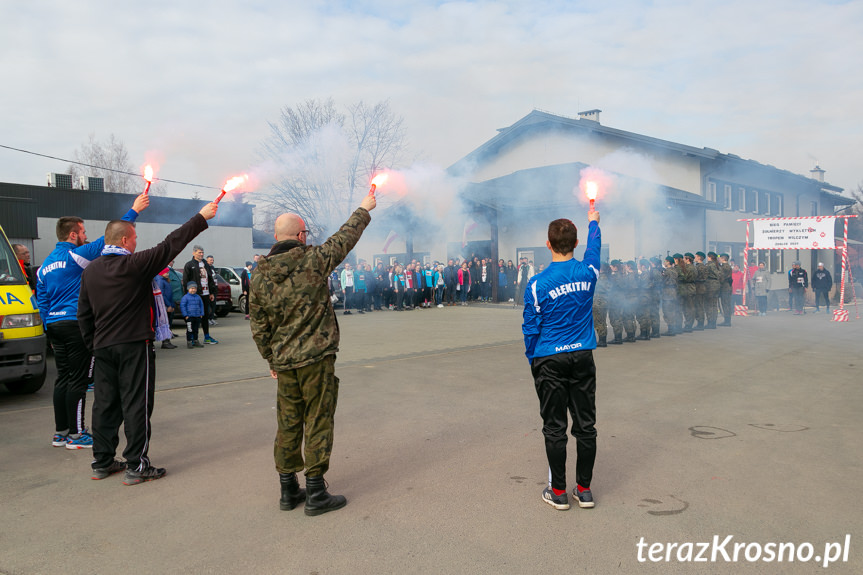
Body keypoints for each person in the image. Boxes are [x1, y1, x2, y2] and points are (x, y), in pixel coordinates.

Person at [250, 192, 376, 516]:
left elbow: (258, 325)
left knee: (288, 423)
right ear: (301, 236)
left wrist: (271, 358)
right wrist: (364, 208)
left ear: (275, 237)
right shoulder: (313, 260)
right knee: (318, 419)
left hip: (285, 362)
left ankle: (288, 489)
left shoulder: (260, 275)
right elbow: (345, 238)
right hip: (316, 359)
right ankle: (316, 492)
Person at [78, 201, 218, 484]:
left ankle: (102, 461)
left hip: (103, 347)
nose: (137, 243)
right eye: (135, 239)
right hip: (133, 345)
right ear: (125, 240)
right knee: (136, 404)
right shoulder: (134, 264)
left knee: (104, 404)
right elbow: (171, 245)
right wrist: (201, 217)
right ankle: (136, 466)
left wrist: (93, 344)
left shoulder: (91, 271)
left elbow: (83, 314)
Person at [37, 193, 149, 450]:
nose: (85, 236)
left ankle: (61, 432)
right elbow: (107, 241)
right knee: (79, 380)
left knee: (63, 378)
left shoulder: (43, 267)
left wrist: (48, 328)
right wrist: (133, 211)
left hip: (54, 325)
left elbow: (41, 302)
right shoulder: (75, 257)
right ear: (73, 235)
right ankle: (77, 435)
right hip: (75, 324)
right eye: (83, 232)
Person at [523, 209, 601, 511]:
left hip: (549, 359)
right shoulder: (588, 272)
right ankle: (584, 490)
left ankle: (558, 492)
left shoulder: (537, 283)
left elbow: (531, 326)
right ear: (576, 242)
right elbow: (594, 250)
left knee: (554, 427)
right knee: (586, 425)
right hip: (582, 355)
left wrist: (533, 357)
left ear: (548, 244)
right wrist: (594, 220)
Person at [182, 246, 219, 344]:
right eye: (199, 252)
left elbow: (210, 279)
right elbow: (185, 281)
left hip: (206, 294)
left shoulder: (206, 264)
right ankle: (193, 338)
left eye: (202, 252)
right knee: (194, 317)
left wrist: (212, 292)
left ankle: (207, 337)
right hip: (195, 295)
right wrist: (187, 295)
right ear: (194, 253)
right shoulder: (189, 265)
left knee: (205, 315)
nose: (201, 254)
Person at [154, 269, 177, 349]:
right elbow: (162, 295)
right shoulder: (160, 281)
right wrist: (168, 305)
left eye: (168, 273)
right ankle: (165, 341)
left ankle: (167, 340)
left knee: (168, 322)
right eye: (166, 273)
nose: (167, 274)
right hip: (164, 305)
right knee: (165, 323)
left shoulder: (164, 280)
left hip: (168, 303)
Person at [181, 282, 205, 348]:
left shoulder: (198, 297)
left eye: (194, 288)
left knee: (196, 329)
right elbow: (183, 306)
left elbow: (201, 305)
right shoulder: (185, 297)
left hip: (197, 316)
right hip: (189, 317)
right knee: (189, 330)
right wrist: (185, 315)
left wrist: (201, 314)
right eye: (192, 288)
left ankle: (196, 340)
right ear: (188, 289)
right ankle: (189, 341)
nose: (193, 290)